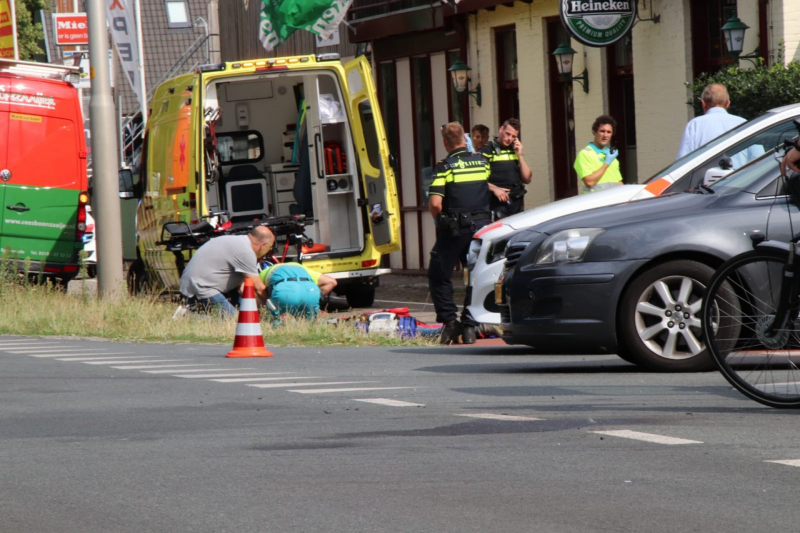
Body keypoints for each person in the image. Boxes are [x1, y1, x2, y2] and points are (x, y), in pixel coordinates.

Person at [428, 122, 492, 345]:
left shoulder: (445, 167)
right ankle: (470, 326)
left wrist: (439, 220)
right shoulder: (483, 162)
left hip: (455, 229)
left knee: (439, 273)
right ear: (465, 139)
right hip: (483, 228)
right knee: (476, 276)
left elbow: (435, 203)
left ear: (445, 143)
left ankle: (450, 323)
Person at [179, 226, 274, 317]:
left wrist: (262, 310)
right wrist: (274, 308)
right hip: (202, 287)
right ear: (263, 245)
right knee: (234, 322)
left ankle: (191, 310)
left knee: (243, 315)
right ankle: (185, 316)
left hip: (192, 284)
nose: (269, 250)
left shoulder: (238, 242)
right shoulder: (246, 252)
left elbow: (242, 289)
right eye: (270, 248)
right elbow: (259, 288)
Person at [479, 118, 532, 219]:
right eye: (507, 134)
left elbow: (527, 179)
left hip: (516, 204)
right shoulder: (487, 149)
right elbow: (478, 178)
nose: (509, 139)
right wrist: (495, 189)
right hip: (497, 205)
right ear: (501, 129)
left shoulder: (515, 150)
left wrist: (520, 155)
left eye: (513, 136)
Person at [677, 83, 746, 159]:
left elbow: (683, 160)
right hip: (743, 171)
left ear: (703, 103)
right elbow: (757, 158)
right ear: (728, 104)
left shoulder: (695, 124)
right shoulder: (743, 124)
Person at [259, 261, 337, 319]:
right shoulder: (299, 267)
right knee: (311, 324)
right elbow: (331, 282)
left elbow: (258, 294)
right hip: (311, 293)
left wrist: (269, 305)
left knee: (278, 322)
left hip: (284, 293)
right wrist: (317, 298)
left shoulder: (262, 274)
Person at [574, 115, 624, 194]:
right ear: (594, 132)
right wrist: (606, 164)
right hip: (597, 203)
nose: (605, 135)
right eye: (602, 131)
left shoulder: (611, 155)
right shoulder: (585, 154)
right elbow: (589, 183)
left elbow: (618, 182)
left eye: (609, 132)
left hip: (614, 202)